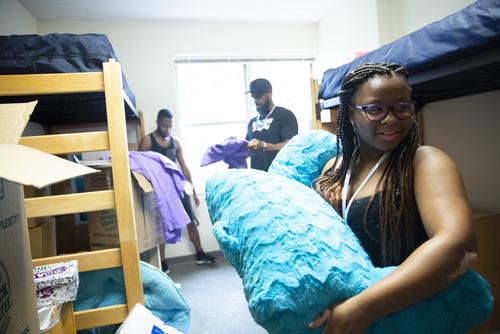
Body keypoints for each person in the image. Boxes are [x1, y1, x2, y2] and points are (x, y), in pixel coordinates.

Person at [310, 63, 477, 333]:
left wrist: (364, 306)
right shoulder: (333, 170)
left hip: (411, 316)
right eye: (375, 109)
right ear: (351, 113)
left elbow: (458, 242)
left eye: (402, 107)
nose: (391, 119)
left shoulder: (424, 161)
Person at [139, 108, 216, 273]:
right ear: (158, 123)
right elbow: (139, 167)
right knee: (161, 226)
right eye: (165, 125)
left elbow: (184, 167)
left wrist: (194, 191)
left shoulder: (176, 142)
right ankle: (163, 262)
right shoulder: (147, 141)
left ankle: (200, 254)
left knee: (190, 221)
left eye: (170, 126)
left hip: (177, 188)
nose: (167, 129)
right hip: (159, 191)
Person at [245, 78, 298, 171]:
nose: (256, 100)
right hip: (258, 177)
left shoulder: (284, 115)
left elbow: (291, 144)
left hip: (281, 174)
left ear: (270, 93)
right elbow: (247, 148)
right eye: (254, 97)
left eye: (259, 96)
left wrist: (264, 146)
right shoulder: (252, 122)